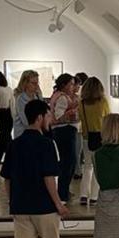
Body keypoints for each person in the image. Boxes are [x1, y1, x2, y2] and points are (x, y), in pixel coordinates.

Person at [0, 99, 69, 238]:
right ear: (39, 118)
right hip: (45, 208)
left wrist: (14, 201)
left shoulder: (14, 144)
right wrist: (59, 204)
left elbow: (6, 179)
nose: (50, 120)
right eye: (48, 116)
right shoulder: (47, 144)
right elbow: (49, 178)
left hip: (21, 208)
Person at [78, 77, 110, 206]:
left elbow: (81, 119)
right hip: (101, 137)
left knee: (87, 166)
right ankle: (94, 196)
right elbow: (108, 118)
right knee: (99, 167)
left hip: (87, 137)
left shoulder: (82, 103)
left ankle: (83, 195)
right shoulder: (102, 102)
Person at [49, 74, 79, 203]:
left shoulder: (60, 96)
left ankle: (64, 191)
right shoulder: (61, 98)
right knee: (68, 162)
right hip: (64, 131)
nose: (73, 87)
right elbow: (58, 117)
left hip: (64, 131)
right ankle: (62, 194)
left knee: (68, 162)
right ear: (64, 85)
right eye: (71, 84)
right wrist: (73, 112)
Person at [12, 70, 40, 139]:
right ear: (25, 83)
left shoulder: (36, 97)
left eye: (37, 83)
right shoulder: (20, 99)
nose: (36, 86)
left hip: (34, 133)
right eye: (33, 83)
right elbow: (26, 121)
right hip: (22, 134)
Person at [72, 72, 88, 179]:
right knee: (77, 150)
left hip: (78, 127)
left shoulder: (77, 97)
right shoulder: (77, 97)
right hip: (76, 126)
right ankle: (77, 171)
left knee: (78, 150)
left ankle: (77, 170)